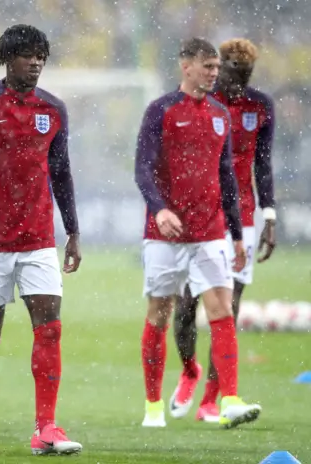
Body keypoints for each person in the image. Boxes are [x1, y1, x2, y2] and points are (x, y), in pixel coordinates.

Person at [0, 24, 82, 456]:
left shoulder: (53, 108)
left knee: (51, 329)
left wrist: (73, 231)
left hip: (39, 239)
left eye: (41, 55)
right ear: (9, 58)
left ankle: (46, 428)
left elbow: (60, 173)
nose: (37, 62)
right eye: (28, 55)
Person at [134, 37, 262, 429]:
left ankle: (230, 399)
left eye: (215, 66)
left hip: (210, 232)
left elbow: (227, 179)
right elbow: (142, 169)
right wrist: (160, 210)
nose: (214, 72)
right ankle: (153, 405)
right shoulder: (160, 110)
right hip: (165, 236)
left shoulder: (221, 114)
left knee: (222, 311)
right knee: (159, 314)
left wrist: (237, 234)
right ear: (185, 66)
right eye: (207, 66)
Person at [170, 38, 276, 423]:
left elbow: (262, 165)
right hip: (197, 217)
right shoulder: (196, 105)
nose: (235, 80)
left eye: (245, 74)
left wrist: (270, 215)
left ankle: (212, 400)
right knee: (185, 308)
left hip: (241, 220)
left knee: (228, 309)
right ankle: (189, 370)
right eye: (230, 70)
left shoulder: (260, 106)